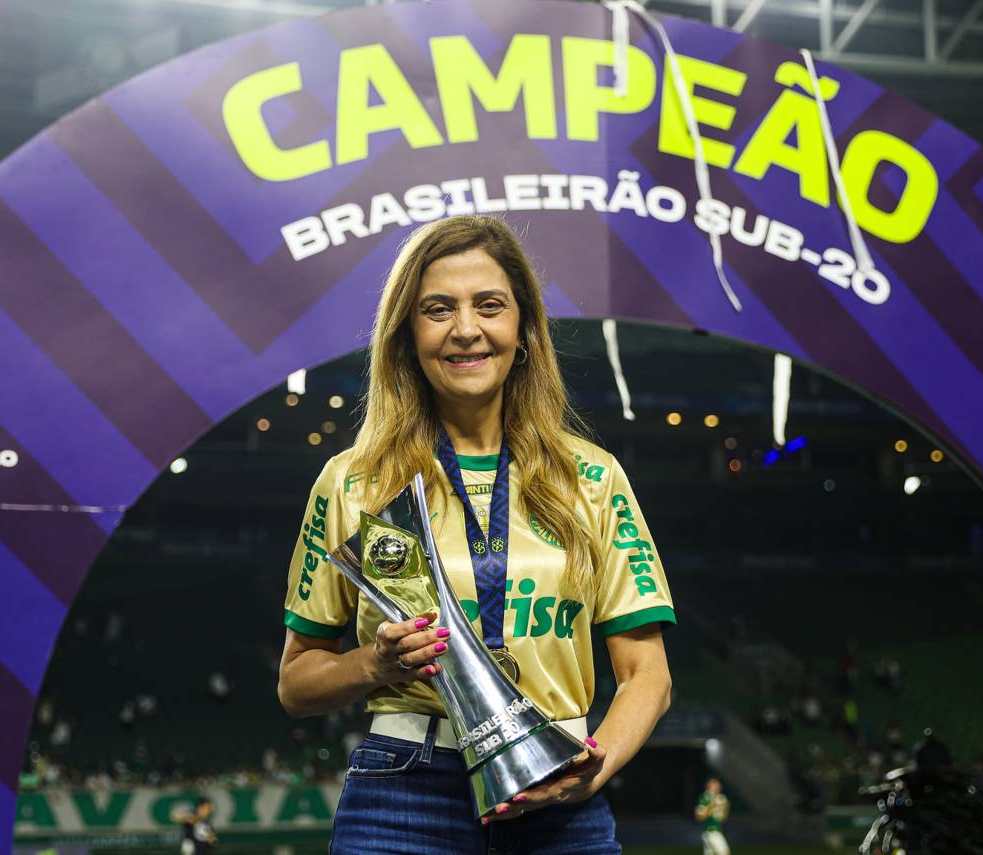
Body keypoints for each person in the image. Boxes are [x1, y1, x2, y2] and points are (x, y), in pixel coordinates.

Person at [278, 216, 675, 853]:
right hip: (402, 793)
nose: (466, 329)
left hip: (559, 785)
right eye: (438, 309)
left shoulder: (592, 478)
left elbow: (648, 675)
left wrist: (593, 768)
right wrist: (374, 663)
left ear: (522, 330)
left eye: (489, 305)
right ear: (408, 335)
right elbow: (296, 684)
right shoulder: (356, 483)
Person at [694, 778, 731, 855]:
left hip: (716, 830)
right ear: (709, 786)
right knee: (725, 852)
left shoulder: (719, 798)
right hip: (711, 831)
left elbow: (723, 818)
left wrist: (725, 808)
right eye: (715, 785)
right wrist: (712, 805)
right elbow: (699, 817)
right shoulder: (705, 798)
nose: (718, 787)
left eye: (718, 786)